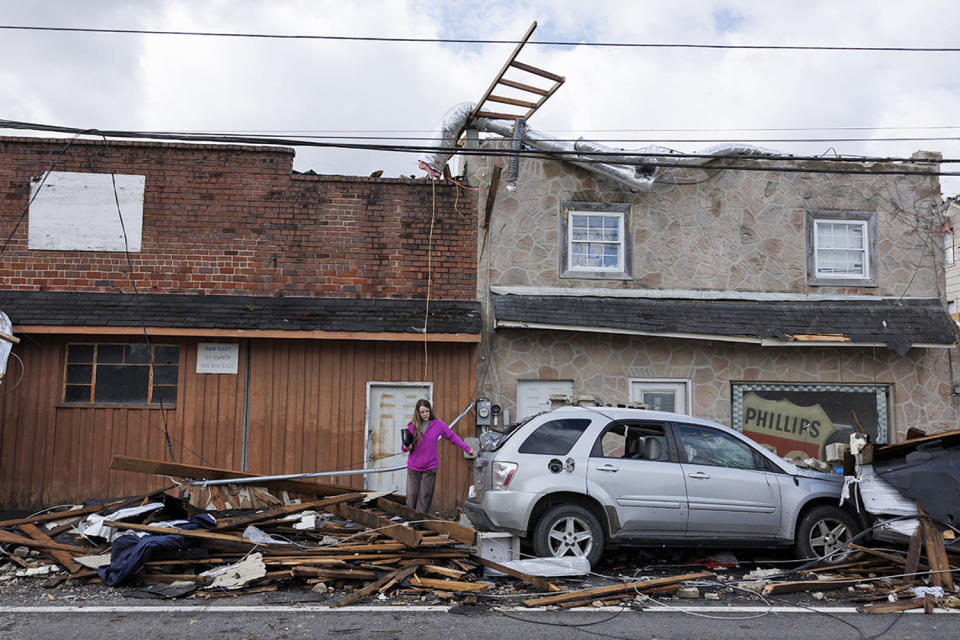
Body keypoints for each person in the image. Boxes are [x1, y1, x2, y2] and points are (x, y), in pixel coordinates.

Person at [401, 398, 473, 513]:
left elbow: (452, 437)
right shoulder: (412, 426)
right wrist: (406, 447)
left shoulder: (437, 424)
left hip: (430, 467)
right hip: (413, 468)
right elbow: (404, 446)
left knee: (425, 497)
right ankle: (409, 521)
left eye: (427, 411)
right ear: (418, 413)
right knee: (411, 495)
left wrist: (467, 448)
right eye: (422, 412)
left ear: (430, 411)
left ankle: (419, 523)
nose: (425, 414)